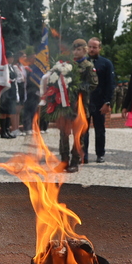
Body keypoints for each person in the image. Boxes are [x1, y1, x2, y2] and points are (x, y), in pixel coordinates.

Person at [49, 39, 98, 173]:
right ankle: (64, 160)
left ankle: (75, 161)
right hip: (65, 105)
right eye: (74, 50)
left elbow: (93, 84)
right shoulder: (66, 65)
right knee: (64, 134)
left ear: (85, 50)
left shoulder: (88, 65)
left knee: (78, 135)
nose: (76, 52)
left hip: (80, 106)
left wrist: (77, 88)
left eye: (79, 50)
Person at [84, 37, 115, 164]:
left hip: (99, 102)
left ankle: (100, 154)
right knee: (83, 130)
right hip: (84, 102)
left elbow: (110, 84)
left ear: (99, 48)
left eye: (94, 47)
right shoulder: (81, 62)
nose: (92, 49)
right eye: (90, 47)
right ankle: (83, 154)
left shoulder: (106, 63)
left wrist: (107, 102)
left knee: (100, 130)